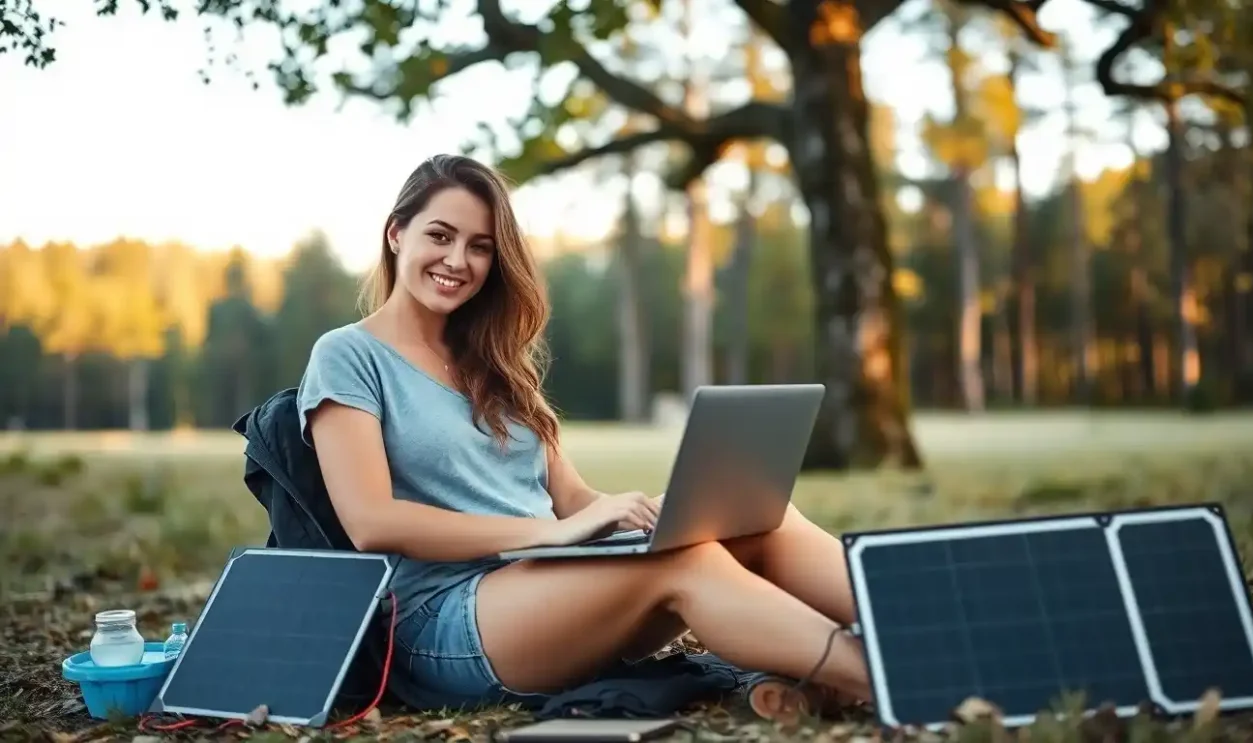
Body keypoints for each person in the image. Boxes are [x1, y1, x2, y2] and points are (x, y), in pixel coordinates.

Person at [297, 154, 873, 715]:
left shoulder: (494, 362)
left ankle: (922, 629)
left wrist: (652, 514)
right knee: (687, 563)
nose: (459, 260)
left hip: (553, 587)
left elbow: (573, 501)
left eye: (480, 247)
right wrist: (545, 535)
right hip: (446, 622)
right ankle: (888, 676)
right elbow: (372, 523)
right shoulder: (349, 355)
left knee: (759, 519)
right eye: (440, 236)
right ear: (397, 233)